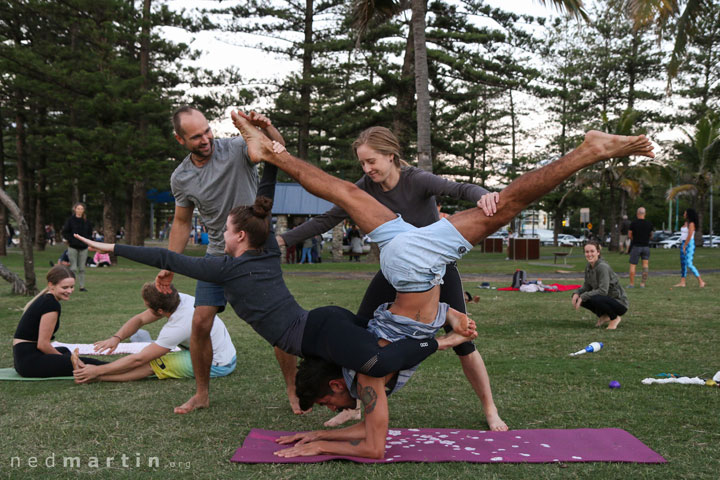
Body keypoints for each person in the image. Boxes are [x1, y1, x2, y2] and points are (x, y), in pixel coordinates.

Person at [229, 112, 653, 457]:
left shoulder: (368, 381)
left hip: (414, 264)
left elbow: (373, 445)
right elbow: (367, 429)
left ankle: (589, 150)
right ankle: (271, 151)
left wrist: (317, 442)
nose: (336, 409)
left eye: (329, 404)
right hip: (409, 252)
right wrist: (450, 315)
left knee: (507, 204)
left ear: (337, 385)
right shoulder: (354, 367)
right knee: (347, 193)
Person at [73, 163, 463, 417]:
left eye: (226, 230)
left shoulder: (222, 268)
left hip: (314, 333)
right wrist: (270, 163)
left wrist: (110, 247)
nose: (221, 235)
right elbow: (265, 200)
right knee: (375, 356)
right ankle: (423, 337)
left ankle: (444, 338)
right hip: (320, 325)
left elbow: (167, 258)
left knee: (378, 363)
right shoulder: (269, 251)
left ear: (240, 236)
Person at [277, 126, 503, 429]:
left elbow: (458, 189)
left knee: (464, 341)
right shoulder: (365, 188)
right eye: (362, 163)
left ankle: (489, 408)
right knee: (361, 331)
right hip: (394, 273)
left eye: (372, 161)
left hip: (437, 271)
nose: (367, 169)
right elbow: (328, 219)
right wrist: (283, 240)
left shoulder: (416, 180)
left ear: (391, 156)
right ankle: (355, 405)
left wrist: (483, 196)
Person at [158, 106, 297, 414]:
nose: (206, 139)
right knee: (200, 323)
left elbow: (275, 149)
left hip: (254, 255)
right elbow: (182, 223)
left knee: (280, 324)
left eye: (207, 131)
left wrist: (268, 126)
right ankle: (202, 394)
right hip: (217, 257)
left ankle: (292, 388)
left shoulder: (236, 148)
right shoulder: (181, 177)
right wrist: (168, 266)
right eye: (196, 137)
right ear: (179, 139)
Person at [72, 283, 236, 383]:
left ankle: (95, 377)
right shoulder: (179, 299)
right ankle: (94, 373)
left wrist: (98, 371)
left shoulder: (178, 326)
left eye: (147, 306)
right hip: (219, 353)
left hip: (218, 364)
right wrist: (117, 337)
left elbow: (139, 359)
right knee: (152, 357)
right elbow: (140, 320)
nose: (145, 309)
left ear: (159, 310)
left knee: (154, 363)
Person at [12, 266, 107, 378]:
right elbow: (43, 345)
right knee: (91, 363)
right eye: (65, 287)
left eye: (72, 287)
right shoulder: (51, 304)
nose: (69, 291)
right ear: (51, 285)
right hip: (29, 363)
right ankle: (119, 368)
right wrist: (70, 361)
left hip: (23, 358)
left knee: (65, 350)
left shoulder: (45, 299)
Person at [571, 241, 628, 330]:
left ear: (598, 252)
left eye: (592, 251)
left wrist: (583, 296)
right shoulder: (588, 266)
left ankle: (614, 318)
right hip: (605, 299)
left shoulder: (602, 267)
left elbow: (603, 291)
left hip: (619, 303)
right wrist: (577, 293)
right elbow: (587, 286)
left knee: (594, 297)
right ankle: (604, 316)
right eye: (587, 252)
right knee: (580, 296)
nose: (589, 254)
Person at [61, 203, 93, 292]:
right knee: (73, 267)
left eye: (81, 209)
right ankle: (71, 286)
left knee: (82, 268)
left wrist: (87, 241)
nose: (79, 210)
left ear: (83, 210)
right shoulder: (70, 220)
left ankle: (82, 286)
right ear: (75, 209)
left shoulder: (86, 222)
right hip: (73, 246)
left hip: (84, 247)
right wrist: (71, 240)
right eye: (78, 208)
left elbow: (90, 233)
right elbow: (65, 232)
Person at [674, 208, 706, 288]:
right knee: (683, 263)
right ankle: (682, 282)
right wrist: (683, 245)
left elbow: (690, 235)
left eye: (685, 213)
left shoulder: (691, 224)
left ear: (688, 214)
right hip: (683, 243)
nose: (684, 214)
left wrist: (685, 245)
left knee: (689, 263)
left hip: (689, 244)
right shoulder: (686, 223)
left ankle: (701, 281)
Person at [627, 207, 653, 287]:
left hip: (636, 246)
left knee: (633, 265)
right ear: (645, 214)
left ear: (637, 213)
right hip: (646, 247)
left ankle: (631, 284)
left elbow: (630, 234)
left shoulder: (633, 223)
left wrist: (634, 239)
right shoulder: (649, 224)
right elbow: (651, 235)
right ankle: (643, 283)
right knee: (645, 265)